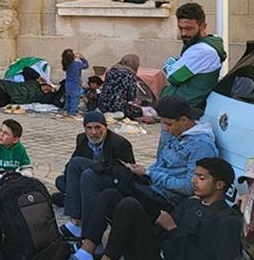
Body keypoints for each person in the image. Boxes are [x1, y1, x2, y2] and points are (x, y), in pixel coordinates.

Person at [71, 95, 218, 256]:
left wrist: (149, 173)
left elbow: (190, 186)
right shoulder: (175, 134)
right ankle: (87, 248)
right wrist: (142, 171)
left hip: (163, 198)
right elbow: (161, 162)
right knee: (100, 178)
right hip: (149, 185)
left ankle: (87, 242)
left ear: (184, 120)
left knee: (96, 178)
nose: (165, 128)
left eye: (168, 124)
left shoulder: (201, 146)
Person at [71, 157, 242, 260]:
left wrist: (172, 228)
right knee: (111, 194)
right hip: (156, 248)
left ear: (220, 185)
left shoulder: (223, 218)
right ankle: (86, 251)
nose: (194, 181)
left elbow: (199, 257)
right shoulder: (191, 203)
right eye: (195, 176)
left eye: (201, 178)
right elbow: (161, 230)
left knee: (129, 205)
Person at [55, 111, 136, 236]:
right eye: (89, 128)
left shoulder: (120, 144)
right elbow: (71, 165)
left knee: (83, 171)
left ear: (105, 128)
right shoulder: (82, 139)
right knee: (61, 181)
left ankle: (77, 222)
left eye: (98, 127)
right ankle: (76, 209)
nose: (93, 132)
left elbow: (126, 175)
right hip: (86, 177)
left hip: (110, 179)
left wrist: (98, 168)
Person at [161, 3, 226, 108]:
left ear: (202, 26)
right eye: (180, 28)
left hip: (186, 112)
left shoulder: (202, 51)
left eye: (188, 29)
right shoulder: (197, 45)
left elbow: (174, 77)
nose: (183, 33)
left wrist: (170, 64)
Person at [62, 49, 89, 117]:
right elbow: (86, 65)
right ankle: (73, 112)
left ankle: (66, 110)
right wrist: (82, 58)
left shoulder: (66, 64)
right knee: (74, 99)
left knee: (68, 98)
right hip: (75, 84)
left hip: (68, 84)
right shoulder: (77, 64)